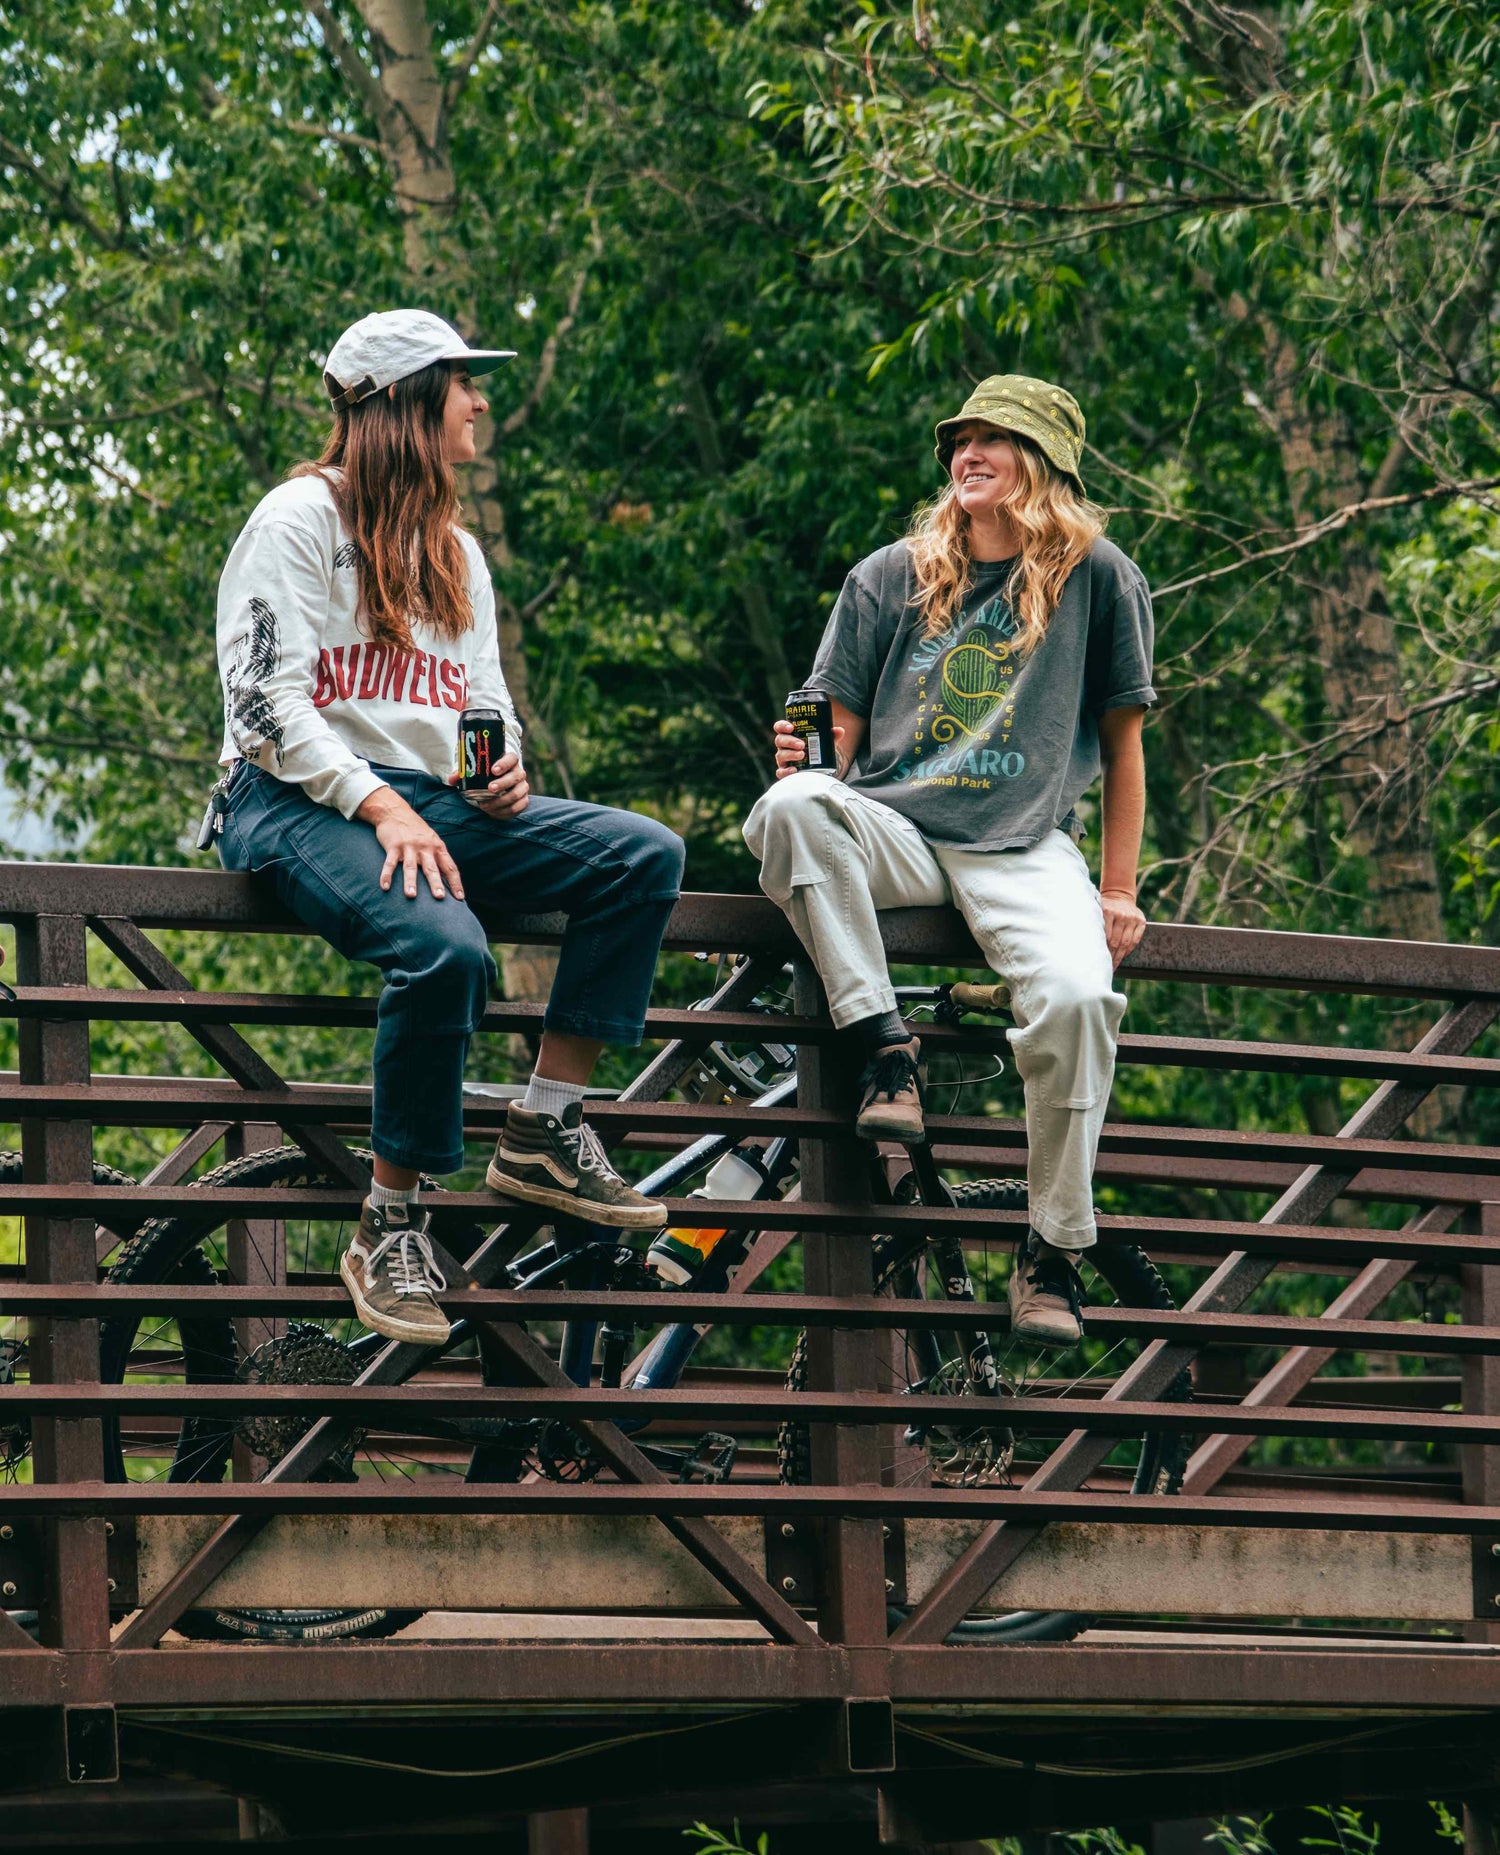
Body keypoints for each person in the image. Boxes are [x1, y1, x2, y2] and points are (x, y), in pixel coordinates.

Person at [213, 309, 684, 1347]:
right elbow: (263, 709)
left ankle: (546, 1128)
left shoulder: (456, 551)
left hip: (426, 805)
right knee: (444, 946)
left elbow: (478, 700)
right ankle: (387, 1222)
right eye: (460, 384)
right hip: (287, 799)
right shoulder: (295, 522)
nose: (479, 403)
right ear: (402, 406)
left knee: (643, 855)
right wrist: (378, 803)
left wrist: (497, 771)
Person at [743, 375, 1151, 1347]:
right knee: (787, 809)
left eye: (995, 440)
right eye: (961, 440)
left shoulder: (1101, 576)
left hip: (1023, 846)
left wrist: (1121, 889)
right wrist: (804, 756)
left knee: (1081, 1000)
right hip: (895, 826)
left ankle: (1052, 1246)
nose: (969, 453)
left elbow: (1126, 744)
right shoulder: (889, 573)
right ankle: (885, 1046)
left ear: (1043, 464)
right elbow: (831, 730)